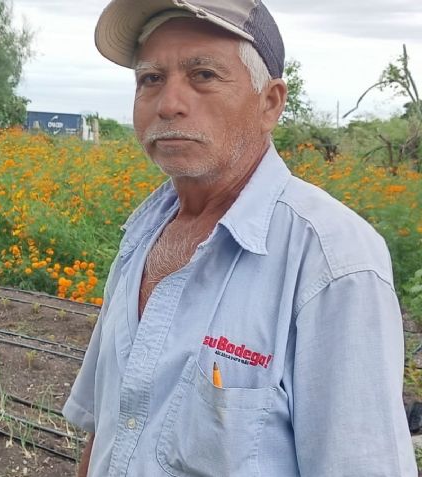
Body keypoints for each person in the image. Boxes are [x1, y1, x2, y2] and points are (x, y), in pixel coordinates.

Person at [62, 0, 418, 475]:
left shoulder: (332, 260)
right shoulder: (142, 233)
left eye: (203, 75)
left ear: (270, 102)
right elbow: (109, 426)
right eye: (150, 79)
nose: (169, 103)